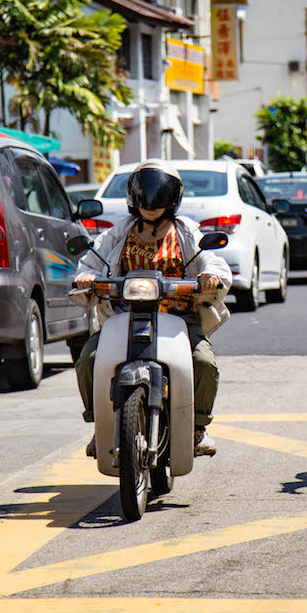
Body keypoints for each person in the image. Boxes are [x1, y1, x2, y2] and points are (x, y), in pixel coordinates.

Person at [73, 161, 233, 458]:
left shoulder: (187, 232)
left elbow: (212, 260)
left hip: (179, 319)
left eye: (157, 193)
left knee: (204, 363)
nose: (150, 202)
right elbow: (91, 262)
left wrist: (210, 275)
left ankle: (197, 428)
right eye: (144, 192)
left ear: (171, 197)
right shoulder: (118, 233)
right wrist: (87, 277)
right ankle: (100, 425)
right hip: (124, 317)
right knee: (88, 358)